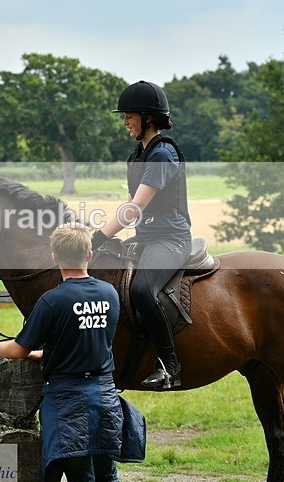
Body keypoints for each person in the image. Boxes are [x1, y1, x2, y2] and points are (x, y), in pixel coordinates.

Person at [0, 223, 122, 482]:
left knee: (81, 477)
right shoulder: (110, 293)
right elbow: (89, 342)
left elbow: (19, 348)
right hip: (105, 398)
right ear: (89, 255)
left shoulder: (52, 300)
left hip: (68, 401)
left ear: (55, 257)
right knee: (107, 475)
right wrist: (44, 355)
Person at [90, 80, 192, 390]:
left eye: (129, 116)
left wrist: (96, 238)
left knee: (143, 291)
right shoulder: (139, 154)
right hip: (146, 237)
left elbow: (134, 208)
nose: (124, 122)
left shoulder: (162, 155)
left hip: (171, 239)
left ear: (148, 118)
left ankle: (169, 366)